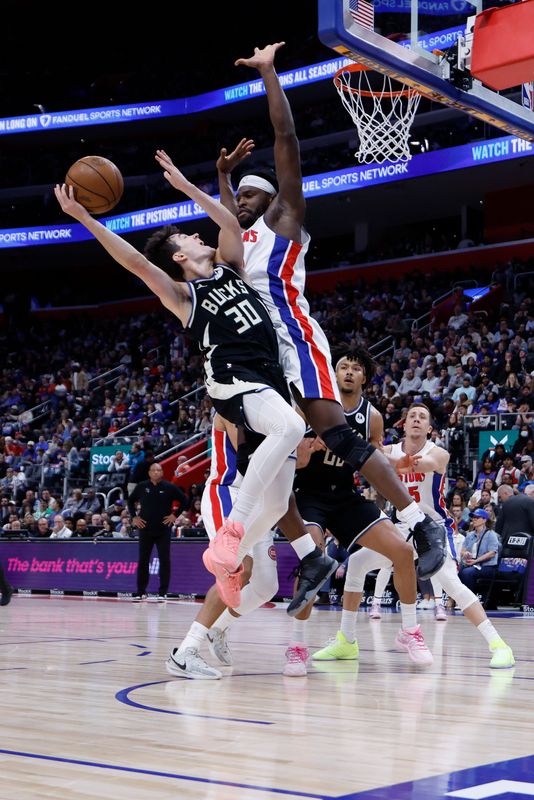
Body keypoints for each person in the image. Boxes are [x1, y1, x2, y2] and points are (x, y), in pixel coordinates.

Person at [55, 153, 337, 610]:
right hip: (233, 380)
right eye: (188, 236)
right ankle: (231, 533)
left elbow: (228, 221)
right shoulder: (183, 296)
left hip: (269, 379)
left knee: (276, 501)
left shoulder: (232, 267)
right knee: (289, 427)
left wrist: (188, 186)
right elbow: (136, 262)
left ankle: (228, 558)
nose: (199, 234)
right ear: (180, 256)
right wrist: (85, 218)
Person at [216, 42, 445, 584]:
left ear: (273, 200)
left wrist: (269, 74)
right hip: (260, 358)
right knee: (260, 457)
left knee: (339, 436)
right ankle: (309, 555)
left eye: (250, 194)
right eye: (238, 196)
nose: (242, 201)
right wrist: (223, 178)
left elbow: (286, 140)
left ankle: (420, 524)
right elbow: (225, 219)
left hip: (293, 334)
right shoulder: (236, 241)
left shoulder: (285, 219)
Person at [315, 403, 514, 669]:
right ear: (404, 424)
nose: (417, 419)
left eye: (423, 417)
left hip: (432, 528)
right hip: (400, 527)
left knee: (452, 584)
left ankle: (499, 645)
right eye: (412, 416)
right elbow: (365, 455)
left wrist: (380, 458)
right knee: (358, 563)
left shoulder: (438, 453)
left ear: (430, 428)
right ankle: (346, 640)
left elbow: (420, 464)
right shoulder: (389, 451)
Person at [300, 354, 433, 667]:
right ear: (334, 374)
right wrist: (309, 446)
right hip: (308, 495)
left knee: (403, 551)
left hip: (346, 496)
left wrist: (395, 463)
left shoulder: (371, 417)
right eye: (343, 367)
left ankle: (410, 631)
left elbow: (374, 459)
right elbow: (293, 458)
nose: (349, 372)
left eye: (356, 368)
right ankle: (297, 645)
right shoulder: (311, 406)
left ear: (364, 377)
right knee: (313, 561)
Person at [166, 413, 284, 680]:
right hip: (229, 493)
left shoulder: (275, 407)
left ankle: (218, 627)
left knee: (267, 586)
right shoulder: (232, 407)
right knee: (237, 568)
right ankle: (185, 651)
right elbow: (249, 458)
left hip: (259, 502)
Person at [127, 462, 188, 600]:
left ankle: (163, 592)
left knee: (164, 560)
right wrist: (134, 517)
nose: (156, 472)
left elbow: (184, 500)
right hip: (145, 529)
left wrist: (175, 515)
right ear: (149, 473)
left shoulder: (169, 487)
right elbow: (130, 501)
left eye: (159, 470)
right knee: (143, 560)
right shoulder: (142, 486)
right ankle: (141, 592)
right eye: (153, 470)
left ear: (162, 472)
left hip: (163, 529)